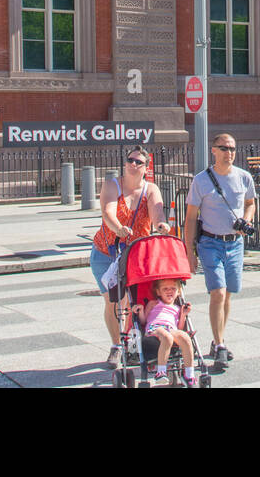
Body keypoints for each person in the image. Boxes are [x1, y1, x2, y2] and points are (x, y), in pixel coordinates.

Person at [89, 147, 170, 368]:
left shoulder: (150, 189)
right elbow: (108, 212)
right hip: (106, 253)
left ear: (146, 168)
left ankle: (130, 344)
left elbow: (157, 213)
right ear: (125, 163)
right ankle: (116, 346)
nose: (133, 165)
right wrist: (118, 228)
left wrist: (161, 225)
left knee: (132, 301)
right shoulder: (112, 185)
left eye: (139, 162)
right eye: (130, 160)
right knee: (114, 301)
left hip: (135, 255)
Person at [183, 132, 255, 368]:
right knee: (218, 292)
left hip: (235, 243)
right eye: (224, 148)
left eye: (232, 148)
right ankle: (220, 344)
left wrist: (247, 219)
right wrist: (189, 252)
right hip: (210, 243)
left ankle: (217, 341)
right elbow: (191, 217)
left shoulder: (244, 177)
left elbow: (251, 203)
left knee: (228, 294)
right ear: (213, 150)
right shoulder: (201, 180)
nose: (229, 153)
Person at [133, 279, 196, 387]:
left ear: (178, 291)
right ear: (158, 292)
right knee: (167, 337)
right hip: (155, 329)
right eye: (165, 289)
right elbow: (144, 321)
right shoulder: (154, 303)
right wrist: (141, 310)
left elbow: (180, 327)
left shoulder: (177, 308)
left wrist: (184, 315)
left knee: (185, 337)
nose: (169, 291)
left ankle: (189, 374)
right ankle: (161, 372)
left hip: (171, 329)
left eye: (173, 288)